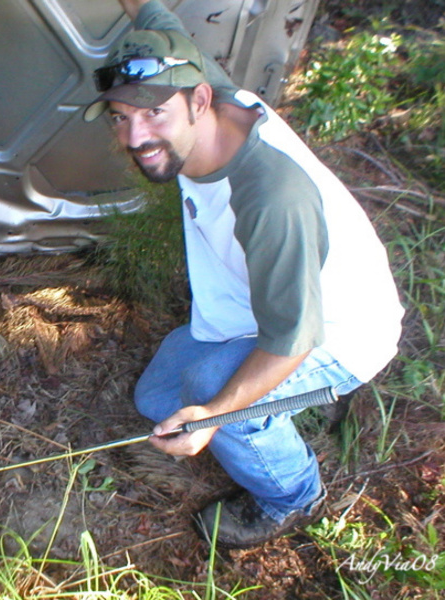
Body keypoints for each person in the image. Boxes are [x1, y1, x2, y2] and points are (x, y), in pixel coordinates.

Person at [83, 0, 404, 549]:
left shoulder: (269, 198)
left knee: (209, 395)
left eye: (153, 113)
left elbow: (292, 337)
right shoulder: (196, 85)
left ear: (198, 100)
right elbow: (154, 16)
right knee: (158, 401)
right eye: (120, 116)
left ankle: (292, 496)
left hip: (335, 330)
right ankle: (254, 412)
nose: (136, 137)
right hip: (258, 304)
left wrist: (214, 414)